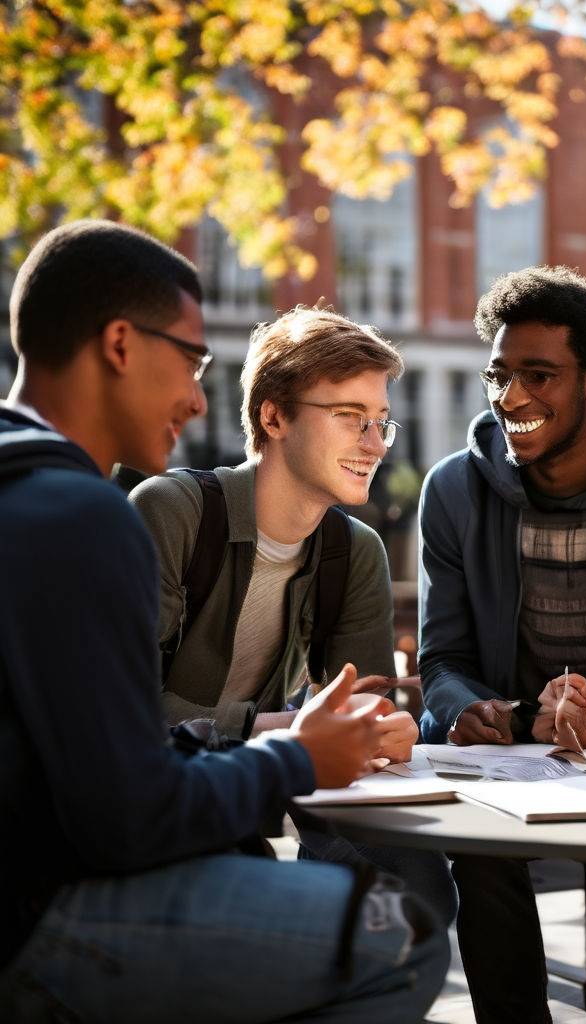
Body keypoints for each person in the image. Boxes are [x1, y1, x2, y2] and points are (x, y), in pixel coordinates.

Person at [0, 220, 447, 1022]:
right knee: (403, 941)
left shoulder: (26, 483)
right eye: (191, 361)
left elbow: (101, 759)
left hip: (55, 868)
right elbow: (129, 819)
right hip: (39, 914)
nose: (200, 397)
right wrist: (291, 752)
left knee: (392, 880)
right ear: (120, 344)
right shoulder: (86, 515)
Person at [129, 306, 456, 923]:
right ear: (273, 416)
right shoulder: (172, 512)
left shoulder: (357, 551)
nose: (373, 445)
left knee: (418, 889)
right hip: (147, 807)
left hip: (258, 793)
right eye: (349, 418)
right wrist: (281, 728)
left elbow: (354, 714)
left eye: (382, 423)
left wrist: (383, 732)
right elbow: (122, 716)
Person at [417, 266, 586, 1023]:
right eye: (499, 375)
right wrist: (467, 709)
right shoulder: (454, 490)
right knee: (479, 848)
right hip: (513, 749)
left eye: (538, 375)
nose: (510, 397)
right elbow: (441, 657)